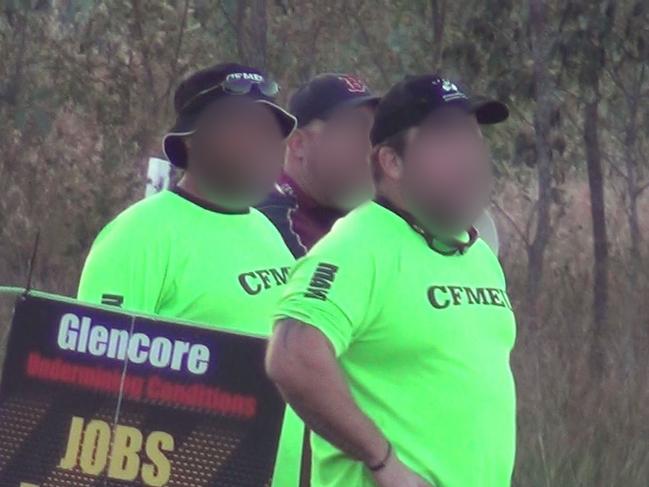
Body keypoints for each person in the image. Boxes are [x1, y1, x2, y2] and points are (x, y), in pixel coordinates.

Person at [266, 75, 516, 487]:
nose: (470, 158)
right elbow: (292, 357)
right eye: (446, 140)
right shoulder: (357, 245)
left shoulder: (476, 254)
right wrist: (383, 461)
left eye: (473, 139)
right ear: (391, 162)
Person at [77, 62, 302, 483]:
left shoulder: (264, 228)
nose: (264, 145)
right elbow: (95, 390)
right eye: (244, 128)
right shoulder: (138, 235)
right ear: (193, 142)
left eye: (271, 132)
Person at [257, 73, 379, 256]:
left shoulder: (358, 213)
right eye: (352, 131)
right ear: (298, 144)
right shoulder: (272, 218)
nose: (369, 149)